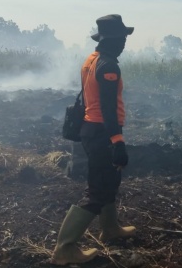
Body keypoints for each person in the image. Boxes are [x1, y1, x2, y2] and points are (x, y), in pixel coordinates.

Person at [51, 14, 136, 265]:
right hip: (102, 132)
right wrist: (117, 141)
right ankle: (65, 248)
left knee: (109, 178)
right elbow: (108, 108)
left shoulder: (91, 60)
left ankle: (110, 228)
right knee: (97, 189)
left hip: (91, 129)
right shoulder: (109, 66)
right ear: (110, 39)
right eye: (121, 38)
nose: (124, 43)